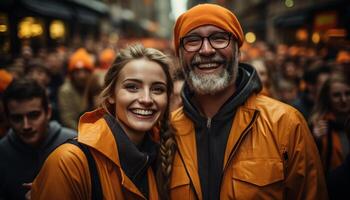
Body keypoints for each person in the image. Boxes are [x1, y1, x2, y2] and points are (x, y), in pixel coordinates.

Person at [165, 4, 327, 200]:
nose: (206, 50)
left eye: (219, 38)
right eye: (192, 40)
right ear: (180, 54)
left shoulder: (286, 124)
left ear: (237, 50)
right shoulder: (166, 131)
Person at [31, 44, 174, 200]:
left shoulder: (163, 157)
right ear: (111, 94)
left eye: (158, 89)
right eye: (132, 87)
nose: (146, 99)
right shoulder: (70, 161)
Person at [0, 78, 76, 200]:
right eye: (17, 118)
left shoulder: (73, 143)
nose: (26, 126)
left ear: (48, 112)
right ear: (7, 119)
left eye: (34, 115)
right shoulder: (2, 153)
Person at [310, 73, 350, 175]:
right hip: (332, 186)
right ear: (327, 98)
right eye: (337, 95)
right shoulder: (319, 125)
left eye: (347, 93)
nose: (343, 100)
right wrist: (314, 141)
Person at [58, 48, 94, 130]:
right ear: (71, 74)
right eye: (77, 72)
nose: (82, 76)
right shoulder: (65, 91)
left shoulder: (92, 87)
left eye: (85, 71)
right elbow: (68, 120)